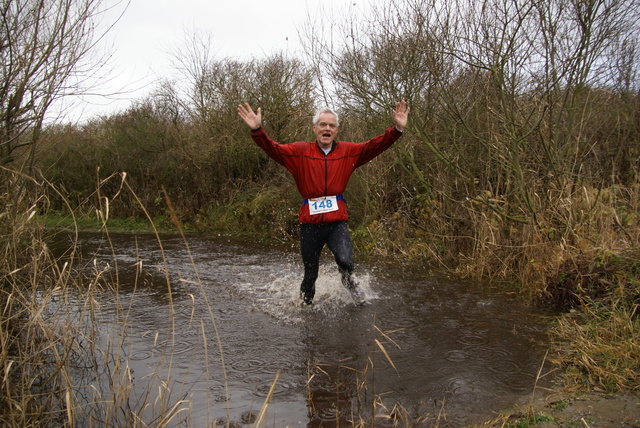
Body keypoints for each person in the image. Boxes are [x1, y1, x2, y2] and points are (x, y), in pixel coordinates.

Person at [237, 101, 410, 305]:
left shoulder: (349, 151)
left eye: (331, 125)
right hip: (310, 224)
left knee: (346, 262)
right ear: (315, 128)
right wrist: (258, 130)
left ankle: (356, 295)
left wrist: (397, 129)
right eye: (322, 124)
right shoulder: (299, 152)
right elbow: (273, 149)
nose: (326, 128)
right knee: (311, 274)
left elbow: (375, 145)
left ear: (336, 130)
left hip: (337, 223)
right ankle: (303, 308)